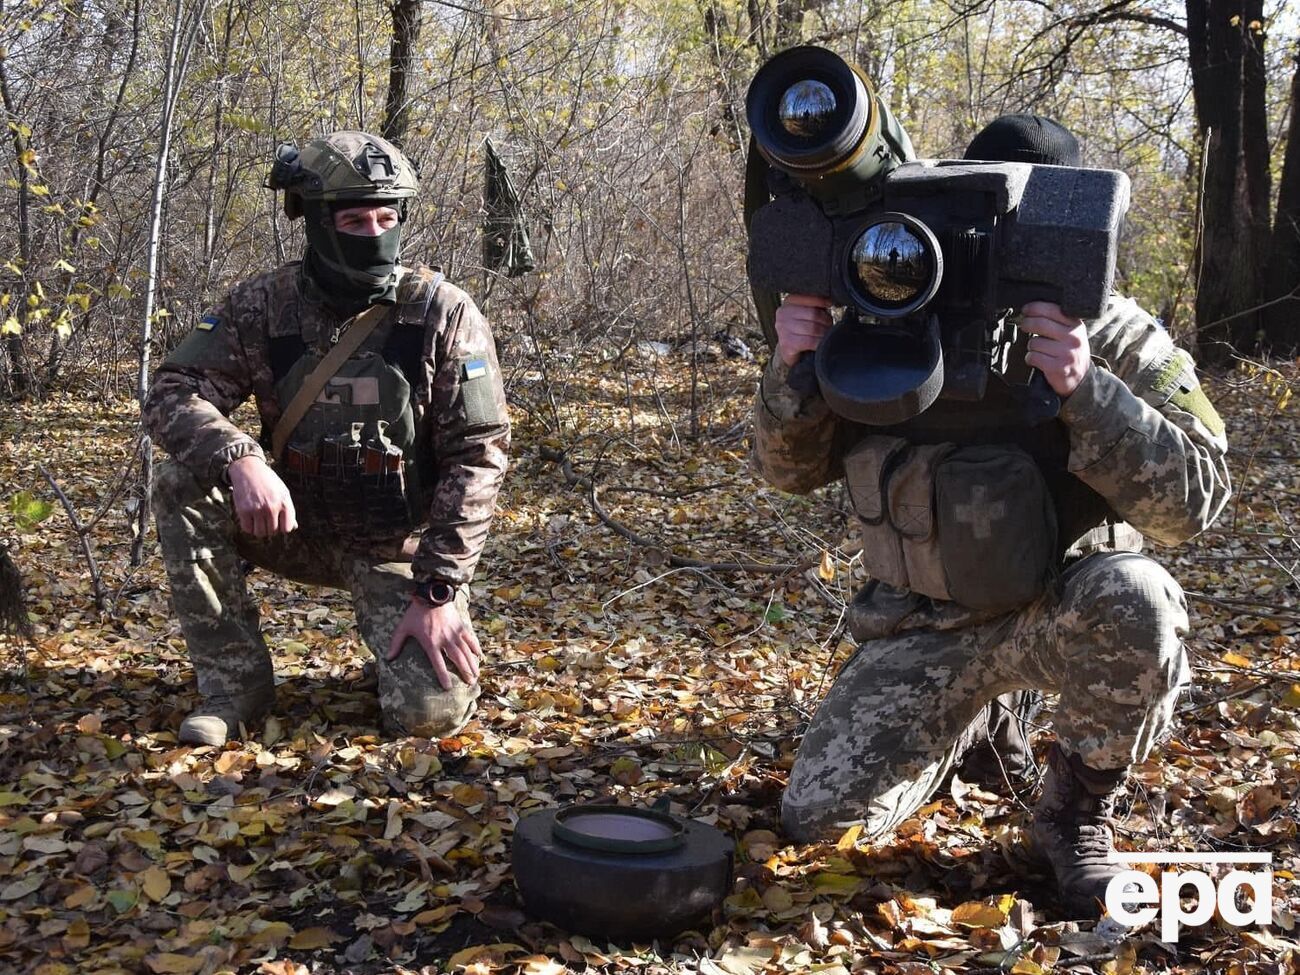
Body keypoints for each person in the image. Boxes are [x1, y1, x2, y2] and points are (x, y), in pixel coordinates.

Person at [753, 114, 1231, 917]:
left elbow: (1196, 505)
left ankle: (1075, 812)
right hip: (924, 624)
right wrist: (793, 370)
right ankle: (974, 724)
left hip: (1060, 607)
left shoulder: (1107, 327)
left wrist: (1089, 392)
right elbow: (785, 473)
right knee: (819, 822)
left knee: (1143, 598)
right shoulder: (886, 309)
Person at [144, 131, 510, 747]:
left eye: (386, 216)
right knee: (181, 484)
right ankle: (235, 686)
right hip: (291, 527)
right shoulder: (264, 305)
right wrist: (239, 457)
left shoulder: (441, 312)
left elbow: (478, 455)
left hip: (394, 546)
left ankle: (401, 663)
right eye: (353, 218)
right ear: (314, 221)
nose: (373, 232)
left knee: (427, 717)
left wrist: (439, 588)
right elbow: (172, 390)